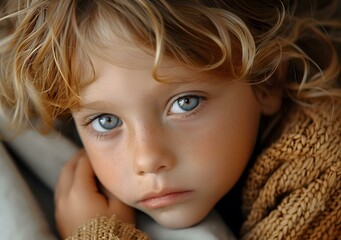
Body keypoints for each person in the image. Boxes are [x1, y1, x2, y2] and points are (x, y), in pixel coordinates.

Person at [0, 0, 340, 239]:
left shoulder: (322, 170)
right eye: (105, 121)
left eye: (185, 103)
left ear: (266, 80)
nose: (147, 159)